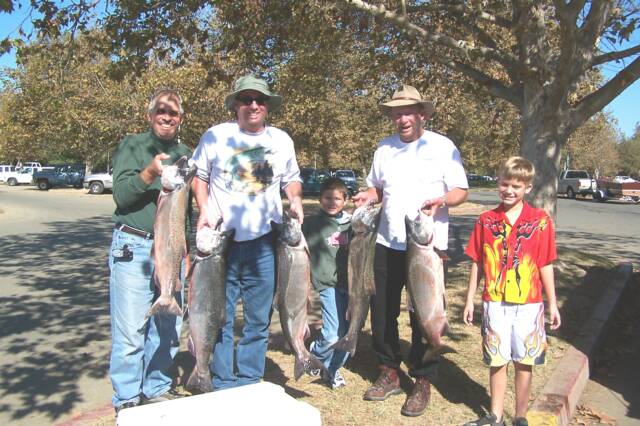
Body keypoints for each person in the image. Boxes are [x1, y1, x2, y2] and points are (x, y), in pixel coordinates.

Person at [352, 84, 469, 417]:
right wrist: (368, 196)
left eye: (408, 111)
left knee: (423, 314)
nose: (402, 118)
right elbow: (378, 187)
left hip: (425, 248)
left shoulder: (443, 147)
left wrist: (442, 200)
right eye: (396, 112)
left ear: (422, 114)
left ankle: (422, 379)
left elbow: (461, 190)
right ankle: (388, 371)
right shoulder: (384, 149)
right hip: (388, 242)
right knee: (383, 311)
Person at [191, 74, 303, 390]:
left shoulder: (282, 140)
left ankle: (251, 378)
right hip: (220, 244)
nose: (253, 105)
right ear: (235, 105)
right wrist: (203, 208)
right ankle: (224, 379)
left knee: (258, 319)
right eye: (246, 99)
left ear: (267, 106)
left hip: (265, 244)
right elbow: (198, 177)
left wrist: (295, 198)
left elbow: (291, 179)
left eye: (259, 100)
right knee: (220, 316)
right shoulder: (215, 136)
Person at [108, 89, 191, 414]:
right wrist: (150, 172)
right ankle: (127, 399)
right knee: (131, 330)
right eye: (161, 110)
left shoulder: (186, 152)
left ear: (180, 118)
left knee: (169, 327)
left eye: (173, 112)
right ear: (150, 114)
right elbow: (122, 197)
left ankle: (156, 388)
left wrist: (189, 250)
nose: (167, 116)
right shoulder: (133, 145)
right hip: (134, 246)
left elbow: (189, 207)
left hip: (172, 249)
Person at [462, 156, 561, 426]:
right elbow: (477, 262)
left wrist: (552, 303)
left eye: (516, 186)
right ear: (498, 183)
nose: (509, 190)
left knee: (523, 360)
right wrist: (470, 299)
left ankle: (519, 416)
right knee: (497, 358)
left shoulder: (540, 222)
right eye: (505, 184)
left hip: (528, 303)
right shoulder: (485, 221)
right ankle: (495, 415)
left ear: (527, 188)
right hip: (495, 301)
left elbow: (545, 263)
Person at [302, 177, 351, 389]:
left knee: (348, 335)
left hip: (351, 287)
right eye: (327, 198)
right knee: (333, 334)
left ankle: (331, 370)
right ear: (320, 199)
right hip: (327, 286)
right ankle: (315, 353)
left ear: (345, 200)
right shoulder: (312, 224)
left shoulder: (353, 224)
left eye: (337, 198)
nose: (332, 202)